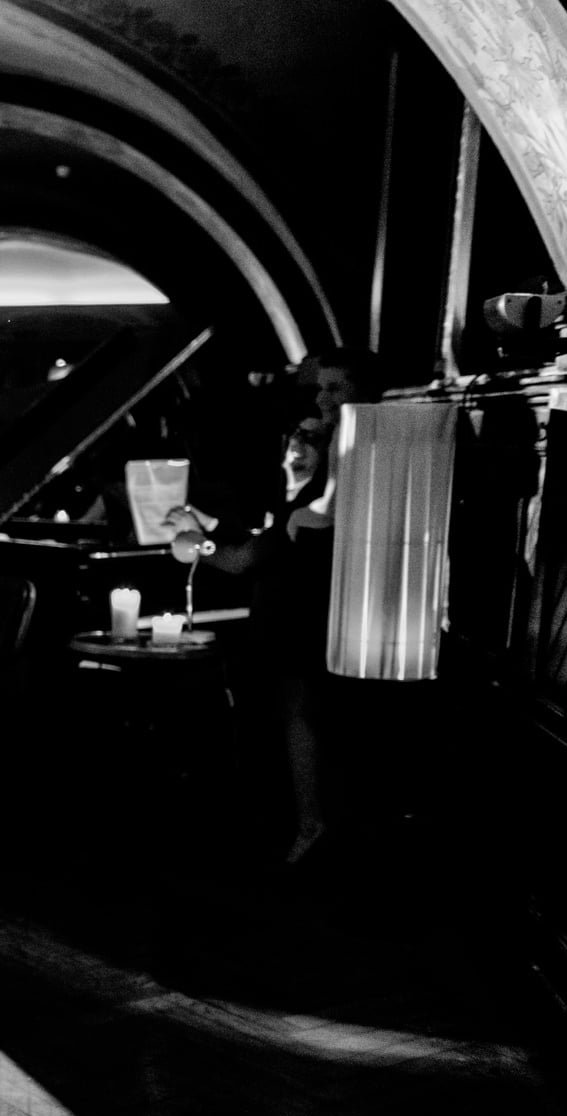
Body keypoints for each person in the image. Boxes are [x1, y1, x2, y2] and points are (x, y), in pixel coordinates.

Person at [170, 347, 383, 864]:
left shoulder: (333, 481)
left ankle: (311, 826)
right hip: (295, 617)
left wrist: (196, 544)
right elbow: (267, 537)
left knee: (301, 717)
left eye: (335, 388)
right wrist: (207, 525)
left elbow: (247, 558)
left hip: (301, 620)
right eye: (320, 389)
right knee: (298, 717)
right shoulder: (318, 484)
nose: (323, 399)